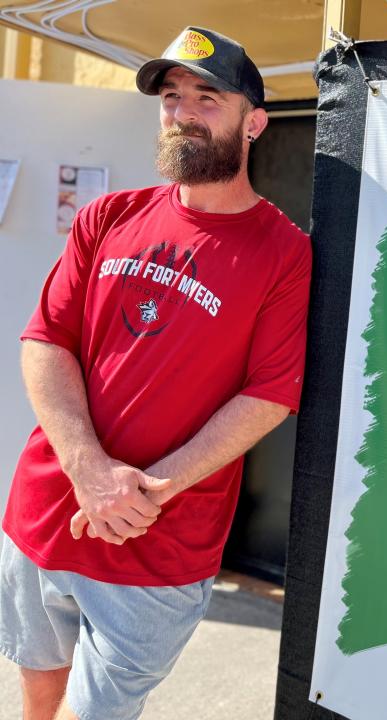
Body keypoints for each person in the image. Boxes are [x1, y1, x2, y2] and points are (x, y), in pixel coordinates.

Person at [0, 26, 311, 720]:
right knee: (37, 697)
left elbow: (269, 394)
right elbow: (45, 340)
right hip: (49, 512)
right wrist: (89, 471)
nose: (183, 111)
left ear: (254, 122)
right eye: (171, 97)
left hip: (159, 541)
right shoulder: (110, 216)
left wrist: (146, 491)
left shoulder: (284, 253)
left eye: (208, 97)